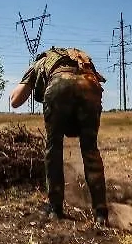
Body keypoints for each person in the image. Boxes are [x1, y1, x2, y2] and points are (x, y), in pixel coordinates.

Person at [10, 46, 109, 227]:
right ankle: (101, 213)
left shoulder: (43, 60)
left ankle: (55, 208)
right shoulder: (83, 59)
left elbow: (15, 101)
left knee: (54, 147)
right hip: (91, 85)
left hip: (59, 86)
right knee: (90, 149)